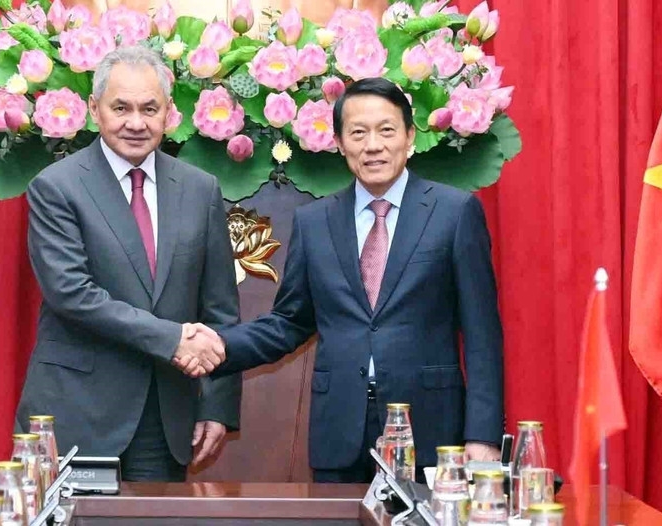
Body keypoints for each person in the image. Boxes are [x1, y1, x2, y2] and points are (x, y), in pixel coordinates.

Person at [210, 78, 504, 483]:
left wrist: (483, 435)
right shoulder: (315, 222)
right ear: (340, 143)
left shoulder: (454, 213)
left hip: (432, 432)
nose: (373, 145)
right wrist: (216, 346)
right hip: (339, 431)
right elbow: (290, 321)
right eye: (358, 133)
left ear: (409, 137)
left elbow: (482, 334)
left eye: (386, 130)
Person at [15, 46, 241, 482]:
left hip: (165, 417)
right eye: (121, 108)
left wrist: (217, 404)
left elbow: (220, 309)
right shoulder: (56, 188)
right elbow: (72, 294)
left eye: (149, 108)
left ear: (169, 114)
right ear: (94, 110)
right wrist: (174, 338)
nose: (136, 123)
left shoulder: (200, 189)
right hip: (75, 411)